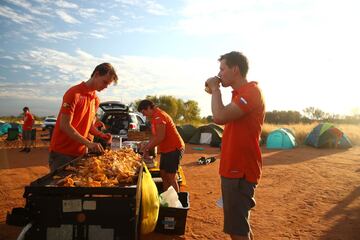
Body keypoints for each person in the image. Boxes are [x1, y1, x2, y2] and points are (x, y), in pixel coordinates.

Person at [205, 51, 265, 240]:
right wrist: (215, 92)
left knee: (237, 230)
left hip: (240, 171)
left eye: (222, 69)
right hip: (234, 169)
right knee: (240, 226)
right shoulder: (239, 94)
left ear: (235, 69)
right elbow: (222, 115)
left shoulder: (251, 92)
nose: (219, 73)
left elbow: (219, 117)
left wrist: (215, 89)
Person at [48, 63, 118, 172]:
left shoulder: (95, 100)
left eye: (108, 84)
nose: (105, 87)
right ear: (96, 74)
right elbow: (65, 125)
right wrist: (89, 143)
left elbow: (89, 125)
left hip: (80, 153)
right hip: (62, 153)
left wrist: (101, 135)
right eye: (105, 82)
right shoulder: (74, 93)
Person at [138, 100, 185, 192]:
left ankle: (175, 203)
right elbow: (155, 136)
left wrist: (147, 148)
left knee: (171, 177)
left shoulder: (159, 116)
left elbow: (160, 137)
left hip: (174, 148)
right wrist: (146, 146)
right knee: (163, 174)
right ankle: (166, 198)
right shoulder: (155, 116)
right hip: (166, 150)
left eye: (143, 112)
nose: (144, 115)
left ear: (148, 108)